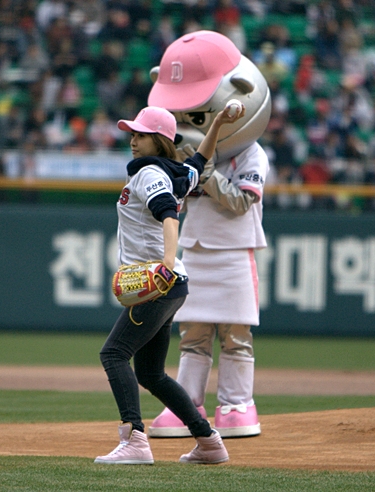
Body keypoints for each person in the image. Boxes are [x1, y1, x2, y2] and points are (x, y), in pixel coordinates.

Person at [94, 103, 243, 466]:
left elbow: (168, 214)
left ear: (159, 140)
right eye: (133, 134)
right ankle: (209, 442)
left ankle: (134, 438)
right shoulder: (175, 173)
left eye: (142, 135)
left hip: (159, 283)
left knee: (114, 354)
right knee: (150, 373)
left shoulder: (149, 173)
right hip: (172, 286)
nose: (134, 140)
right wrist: (218, 124)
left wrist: (166, 263)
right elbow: (199, 163)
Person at [146, 30, 272, 439]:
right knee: (192, 333)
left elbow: (240, 202)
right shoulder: (191, 157)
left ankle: (237, 404)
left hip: (235, 251)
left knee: (235, 334)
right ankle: (187, 405)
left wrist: (206, 173)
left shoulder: (251, 153)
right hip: (195, 249)